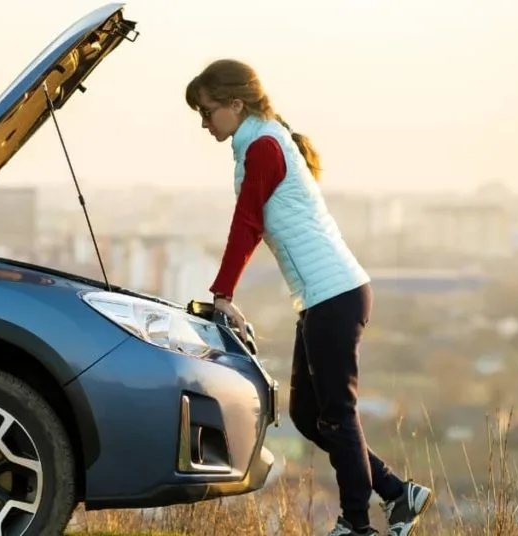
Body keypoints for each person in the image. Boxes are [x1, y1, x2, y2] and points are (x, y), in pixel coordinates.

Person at [184, 58, 435, 536]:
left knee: (337, 413)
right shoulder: (262, 139)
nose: (203, 122)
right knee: (305, 414)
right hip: (325, 298)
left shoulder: (262, 146)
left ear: (236, 104)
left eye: (207, 110)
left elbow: (248, 224)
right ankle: (398, 493)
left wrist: (222, 292)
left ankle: (356, 524)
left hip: (334, 296)